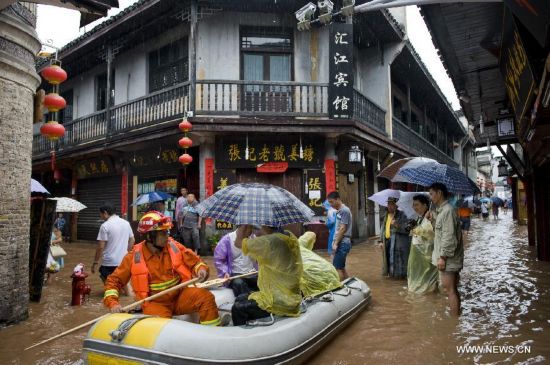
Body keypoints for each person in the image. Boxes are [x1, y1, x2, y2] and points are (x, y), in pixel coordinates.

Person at [103, 211, 223, 325]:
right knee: (163, 327)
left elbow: (196, 262)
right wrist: (113, 303)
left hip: (180, 296)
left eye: (167, 232)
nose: (167, 236)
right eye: (163, 233)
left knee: (206, 298)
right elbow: (114, 281)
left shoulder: (174, 246)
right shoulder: (133, 257)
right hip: (155, 303)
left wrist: (201, 270)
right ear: (150, 236)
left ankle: (214, 333)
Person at [231, 224, 302, 326]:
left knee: (237, 308)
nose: (254, 233)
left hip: (279, 301)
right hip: (287, 294)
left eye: (256, 228)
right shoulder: (286, 236)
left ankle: (243, 338)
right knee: (241, 298)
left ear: (266, 227)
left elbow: (238, 243)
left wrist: (245, 226)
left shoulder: (269, 241)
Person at [427, 183, 463, 316]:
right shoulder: (442, 211)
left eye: (431, 194)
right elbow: (441, 231)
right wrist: (432, 220)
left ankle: (454, 322)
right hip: (448, 258)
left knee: (450, 291)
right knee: (452, 289)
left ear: (439, 193)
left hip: (448, 259)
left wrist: (443, 257)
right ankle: (457, 315)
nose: (430, 197)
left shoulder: (447, 210)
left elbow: (449, 237)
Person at [92, 203, 135, 283]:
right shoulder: (126, 223)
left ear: (105, 213)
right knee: (126, 286)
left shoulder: (105, 226)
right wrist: (127, 253)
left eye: (100, 214)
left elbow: (100, 247)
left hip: (109, 262)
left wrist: (95, 262)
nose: (100, 216)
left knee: (109, 285)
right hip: (124, 261)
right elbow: (132, 240)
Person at [407, 194, 438, 294]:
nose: (414, 207)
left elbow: (429, 234)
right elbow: (417, 234)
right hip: (417, 256)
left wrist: (416, 227)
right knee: (417, 283)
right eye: (413, 205)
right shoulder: (420, 217)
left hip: (426, 256)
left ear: (425, 205)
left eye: (416, 205)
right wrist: (412, 227)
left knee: (426, 286)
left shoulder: (431, 216)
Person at [214, 229, 258, 297]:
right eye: (247, 227)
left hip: (252, 272)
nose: (250, 230)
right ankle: (244, 303)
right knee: (239, 284)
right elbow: (219, 260)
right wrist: (225, 272)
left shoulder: (254, 238)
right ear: (241, 226)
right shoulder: (227, 240)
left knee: (264, 281)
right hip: (235, 274)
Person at [298, 232, 341, 297]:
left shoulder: (284, 257)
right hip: (329, 269)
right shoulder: (298, 245)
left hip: (315, 276)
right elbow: (311, 234)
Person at [379, 197, 411, 279]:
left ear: (397, 205)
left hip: (398, 242)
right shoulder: (385, 215)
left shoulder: (403, 215)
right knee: (388, 260)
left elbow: (408, 230)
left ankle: (400, 276)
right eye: (388, 204)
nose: (390, 206)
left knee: (399, 260)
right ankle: (391, 275)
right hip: (386, 241)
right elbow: (382, 228)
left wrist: (397, 225)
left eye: (392, 204)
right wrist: (380, 241)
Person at [327, 191, 352, 281]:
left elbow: (342, 228)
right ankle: (350, 285)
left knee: (336, 269)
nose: (331, 204)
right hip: (342, 242)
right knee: (341, 267)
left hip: (342, 242)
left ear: (337, 199)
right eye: (329, 202)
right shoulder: (339, 211)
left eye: (331, 202)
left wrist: (336, 243)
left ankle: (339, 290)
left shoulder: (344, 210)